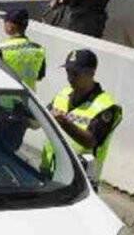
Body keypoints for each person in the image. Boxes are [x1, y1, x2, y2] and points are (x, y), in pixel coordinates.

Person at [41, 49, 123, 185]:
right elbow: (42, 117)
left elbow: (90, 141)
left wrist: (64, 122)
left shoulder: (106, 106)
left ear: (91, 73)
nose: (70, 78)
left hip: (80, 182)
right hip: (49, 173)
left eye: (75, 73)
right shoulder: (63, 93)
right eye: (68, 72)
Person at [0, 8, 46, 91]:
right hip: (27, 98)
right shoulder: (39, 49)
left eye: (5, 22)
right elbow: (40, 76)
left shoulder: (1, 48)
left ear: (10, 26)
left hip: (4, 98)